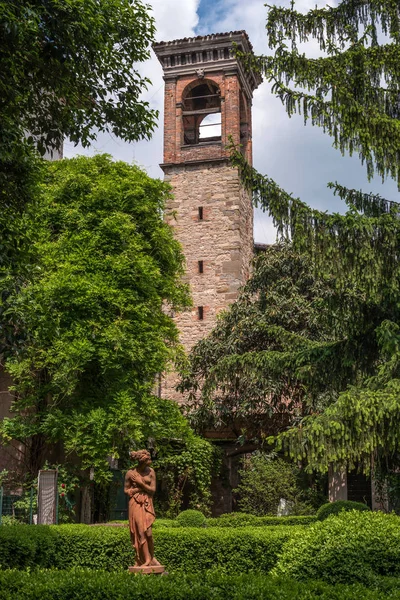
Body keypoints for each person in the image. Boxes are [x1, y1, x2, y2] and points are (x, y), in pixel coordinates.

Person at [124, 449, 161, 567]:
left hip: (147, 503)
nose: (149, 462)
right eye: (147, 460)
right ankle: (145, 560)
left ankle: (151, 557)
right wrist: (136, 490)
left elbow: (153, 490)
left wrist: (140, 484)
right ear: (141, 461)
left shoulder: (151, 472)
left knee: (149, 533)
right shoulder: (130, 473)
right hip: (135, 503)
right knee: (140, 531)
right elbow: (126, 490)